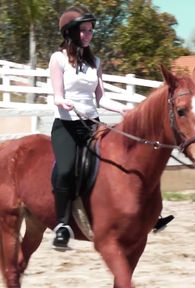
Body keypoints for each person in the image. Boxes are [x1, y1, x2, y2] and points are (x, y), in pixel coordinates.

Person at [49, 5, 173, 250]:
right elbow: (56, 95)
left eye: (90, 30)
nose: (88, 34)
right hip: (66, 125)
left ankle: (150, 214)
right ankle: (62, 225)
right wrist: (64, 102)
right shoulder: (58, 59)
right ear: (70, 33)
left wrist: (122, 109)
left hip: (92, 125)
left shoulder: (95, 61)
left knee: (127, 159)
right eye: (83, 30)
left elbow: (101, 98)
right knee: (65, 170)